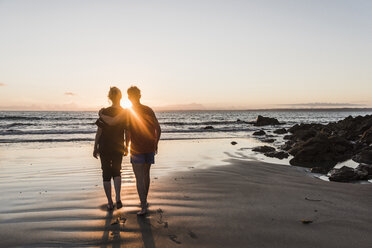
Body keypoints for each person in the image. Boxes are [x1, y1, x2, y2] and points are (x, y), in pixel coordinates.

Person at [99, 86, 161, 215]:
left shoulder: (129, 112)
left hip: (137, 148)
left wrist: (127, 146)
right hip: (149, 146)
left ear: (128, 97)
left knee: (139, 178)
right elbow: (158, 128)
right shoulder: (149, 110)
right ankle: (144, 200)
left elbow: (126, 129)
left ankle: (143, 206)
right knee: (146, 175)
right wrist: (156, 143)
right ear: (139, 95)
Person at [93, 87, 128, 211]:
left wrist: (95, 147)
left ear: (109, 97)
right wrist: (127, 145)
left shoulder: (105, 112)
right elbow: (127, 130)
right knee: (117, 171)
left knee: (106, 173)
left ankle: (110, 202)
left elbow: (99, 132)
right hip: (118, 145)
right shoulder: (125, 112)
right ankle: (118, 198)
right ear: (120, 97)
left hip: (105, 146)